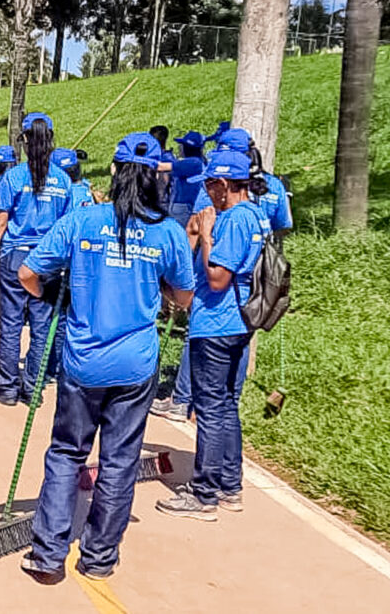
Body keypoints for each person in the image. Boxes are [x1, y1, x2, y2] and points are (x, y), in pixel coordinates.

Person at [16, 131, 195, 583]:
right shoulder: (168, 231)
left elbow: (27, 274)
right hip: (135, 365)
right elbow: (185, 296)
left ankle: (48, 554)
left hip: (83, 362)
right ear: (156, 177)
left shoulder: (82, 221)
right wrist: (160, 287)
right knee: (119, 462)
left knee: (65, 453)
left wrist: (55, 289)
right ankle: (98, 558)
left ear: (113, 172)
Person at [156, 150, 271, 521]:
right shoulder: (256, 215)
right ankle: (229, 485)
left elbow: (218, 278)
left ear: (224, 185)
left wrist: (206, 236)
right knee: (224, 406)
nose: (207, 193)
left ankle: (204, 493)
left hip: (217, 323)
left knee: (208, 409)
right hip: (239, 322)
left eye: (209, 185)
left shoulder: (234, 221)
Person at [0, 112, 72, 406]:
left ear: (24, 139)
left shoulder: (14, 176)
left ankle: (7, 387)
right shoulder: (63, 181)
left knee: (10, 323)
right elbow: (66, 227)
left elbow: (0, 221)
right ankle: (33, 388)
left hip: (15, 256)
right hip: (47, 260)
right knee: (41, 326)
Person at [157, 130, 206, 229]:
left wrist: (140, 160)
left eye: (181, 145)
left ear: (185, 148)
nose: (179, 148)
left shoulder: (193, 163)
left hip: (183, 208)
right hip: (184, 206)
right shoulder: (198, 162)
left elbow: (161, 167)